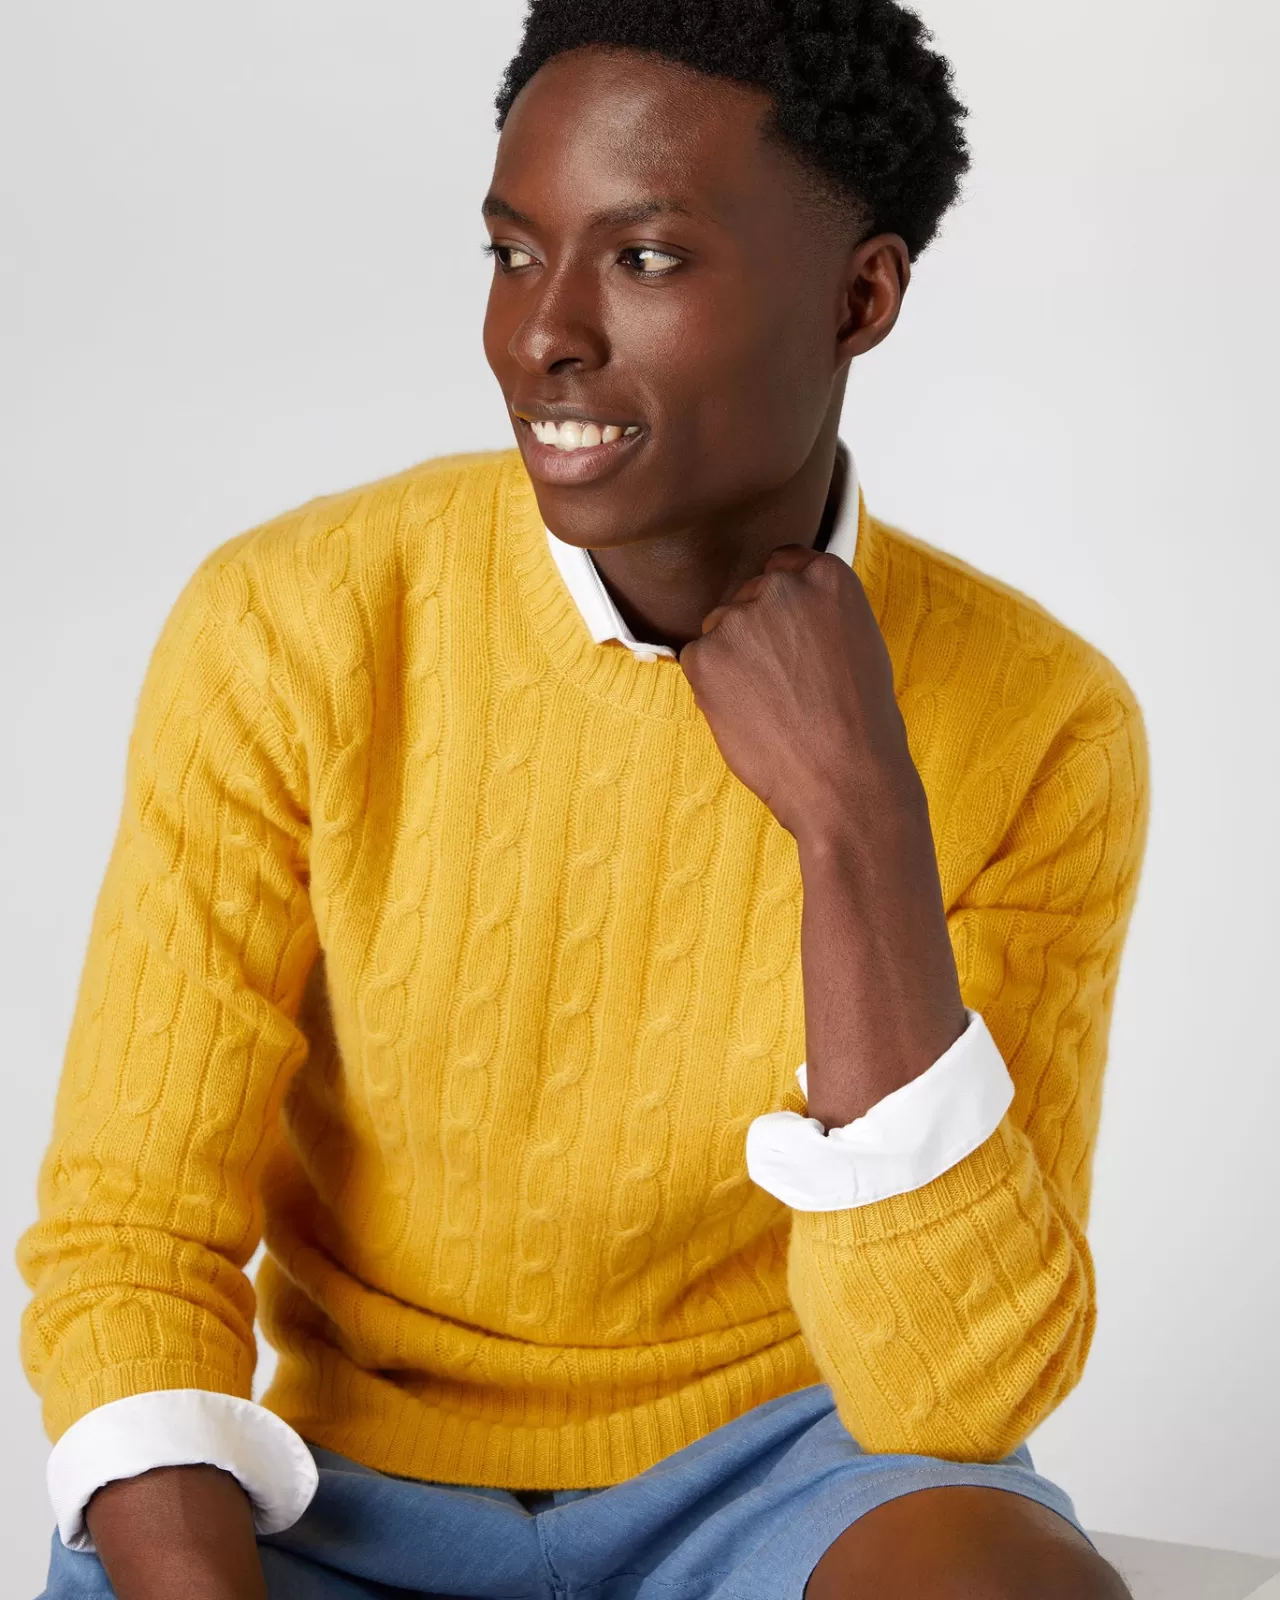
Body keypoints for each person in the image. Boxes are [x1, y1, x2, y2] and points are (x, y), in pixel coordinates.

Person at [18, 2, 1150, 1596]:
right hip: (344, 1497)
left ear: (861, 296)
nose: (542, 332)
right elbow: (132, 1234)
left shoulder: (1043, 719)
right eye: (512, 252)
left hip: (789, 1477)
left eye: (646, 258)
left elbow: (951, 1397)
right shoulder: (297, 623)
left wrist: (859, 825)